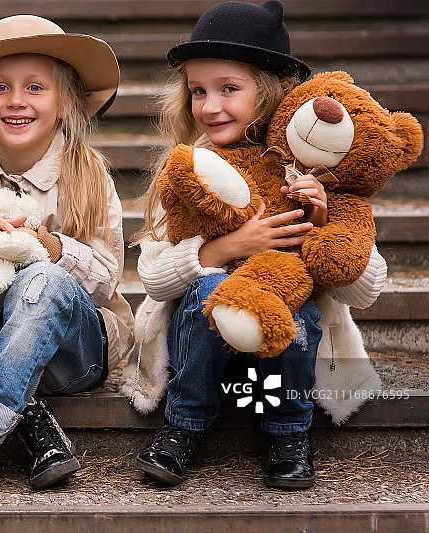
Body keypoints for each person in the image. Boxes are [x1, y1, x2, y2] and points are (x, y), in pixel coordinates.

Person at [132, 0, 387, 490]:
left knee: (298, 310)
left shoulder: (316, 173)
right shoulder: (192, 169)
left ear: (273, 92)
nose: (210, 106)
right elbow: (153, 278)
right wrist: (225, 248)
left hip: (286, 351)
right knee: (206, 292)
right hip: (201, 348)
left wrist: (323, 227)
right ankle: (184, 426)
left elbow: (365, 291)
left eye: (230, 89)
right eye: (198, 91)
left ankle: (288, 432)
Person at [0, 15, 134, 499]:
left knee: (46, 283)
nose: (16, 100)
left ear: (66, 101)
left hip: (70, 357)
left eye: (35, 87)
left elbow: (104, 282)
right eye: (0, 87)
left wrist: (50, 248)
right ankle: (31, 419)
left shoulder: (89, 175)